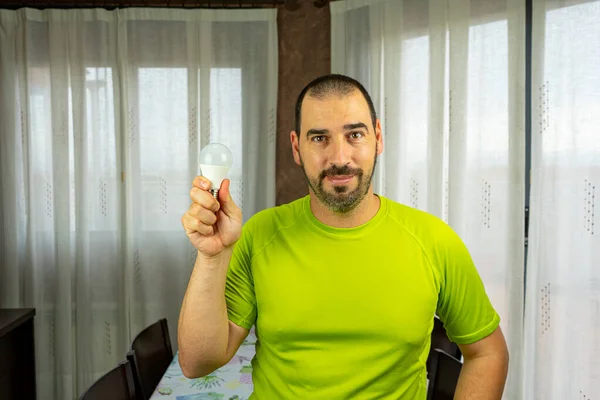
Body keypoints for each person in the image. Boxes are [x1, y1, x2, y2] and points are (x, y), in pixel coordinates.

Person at [178, 74, 509, 399]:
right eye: (319, 138)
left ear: (378, 138)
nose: (339, 158)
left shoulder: (434, 240)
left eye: (354, 135)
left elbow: (488, 352)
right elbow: (197, 362)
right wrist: (212, 256)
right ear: (297, 147)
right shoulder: (261, 233)